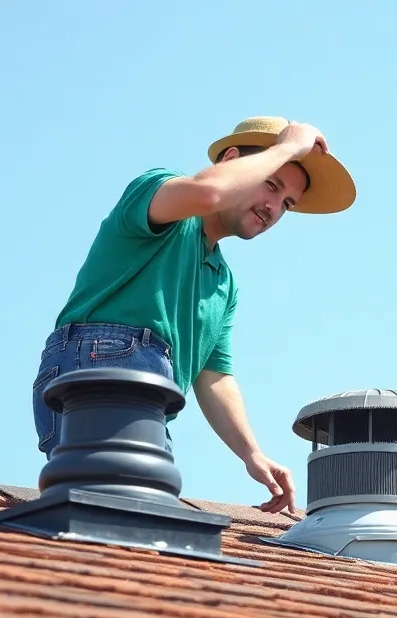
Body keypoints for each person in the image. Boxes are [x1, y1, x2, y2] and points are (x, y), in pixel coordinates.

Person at [31, 116, 355, 514]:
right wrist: (286, 148)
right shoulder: (159, 192)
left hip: (144, 391)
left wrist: (251, 453)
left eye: (287, 203)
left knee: (116, 523)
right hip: (100, 371)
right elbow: (207, 193)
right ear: (231, 160)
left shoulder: (224, 282)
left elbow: (214, 376)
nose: (273, 208)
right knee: (123, 519)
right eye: (271, 183)